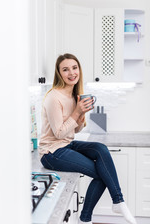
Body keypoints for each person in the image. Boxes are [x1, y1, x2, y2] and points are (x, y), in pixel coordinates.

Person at [39, 53, 137, 224]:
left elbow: (74, 131)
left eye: (74, 68)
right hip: (51, 152)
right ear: (59, 73)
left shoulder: (73, 95)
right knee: (102, 174)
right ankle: (93, 215)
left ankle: (117, 201)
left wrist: (81, 114)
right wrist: (76, 112)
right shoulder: (53, 97)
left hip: (66, 145)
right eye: (65, 69)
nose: (71, 73)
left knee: (100, 149)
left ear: (79, 70)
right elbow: (59, 133)